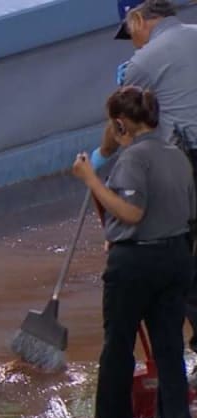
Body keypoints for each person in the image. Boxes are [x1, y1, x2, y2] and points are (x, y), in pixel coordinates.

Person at [70, 86, 195, 418]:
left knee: (119, 344)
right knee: (169, 346)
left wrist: (91, 179)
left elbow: (131, 213)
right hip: (177, 257)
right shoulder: (178, 156)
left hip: (136, 263)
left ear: (121, 124)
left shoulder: (131, 160)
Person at [92, 0, 197, 353]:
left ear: (138, 19)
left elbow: (123, 123)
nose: (133, 44)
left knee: (184, 260)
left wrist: (100, 156)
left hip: (182, 168)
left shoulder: (143, 62)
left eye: (131, 33)